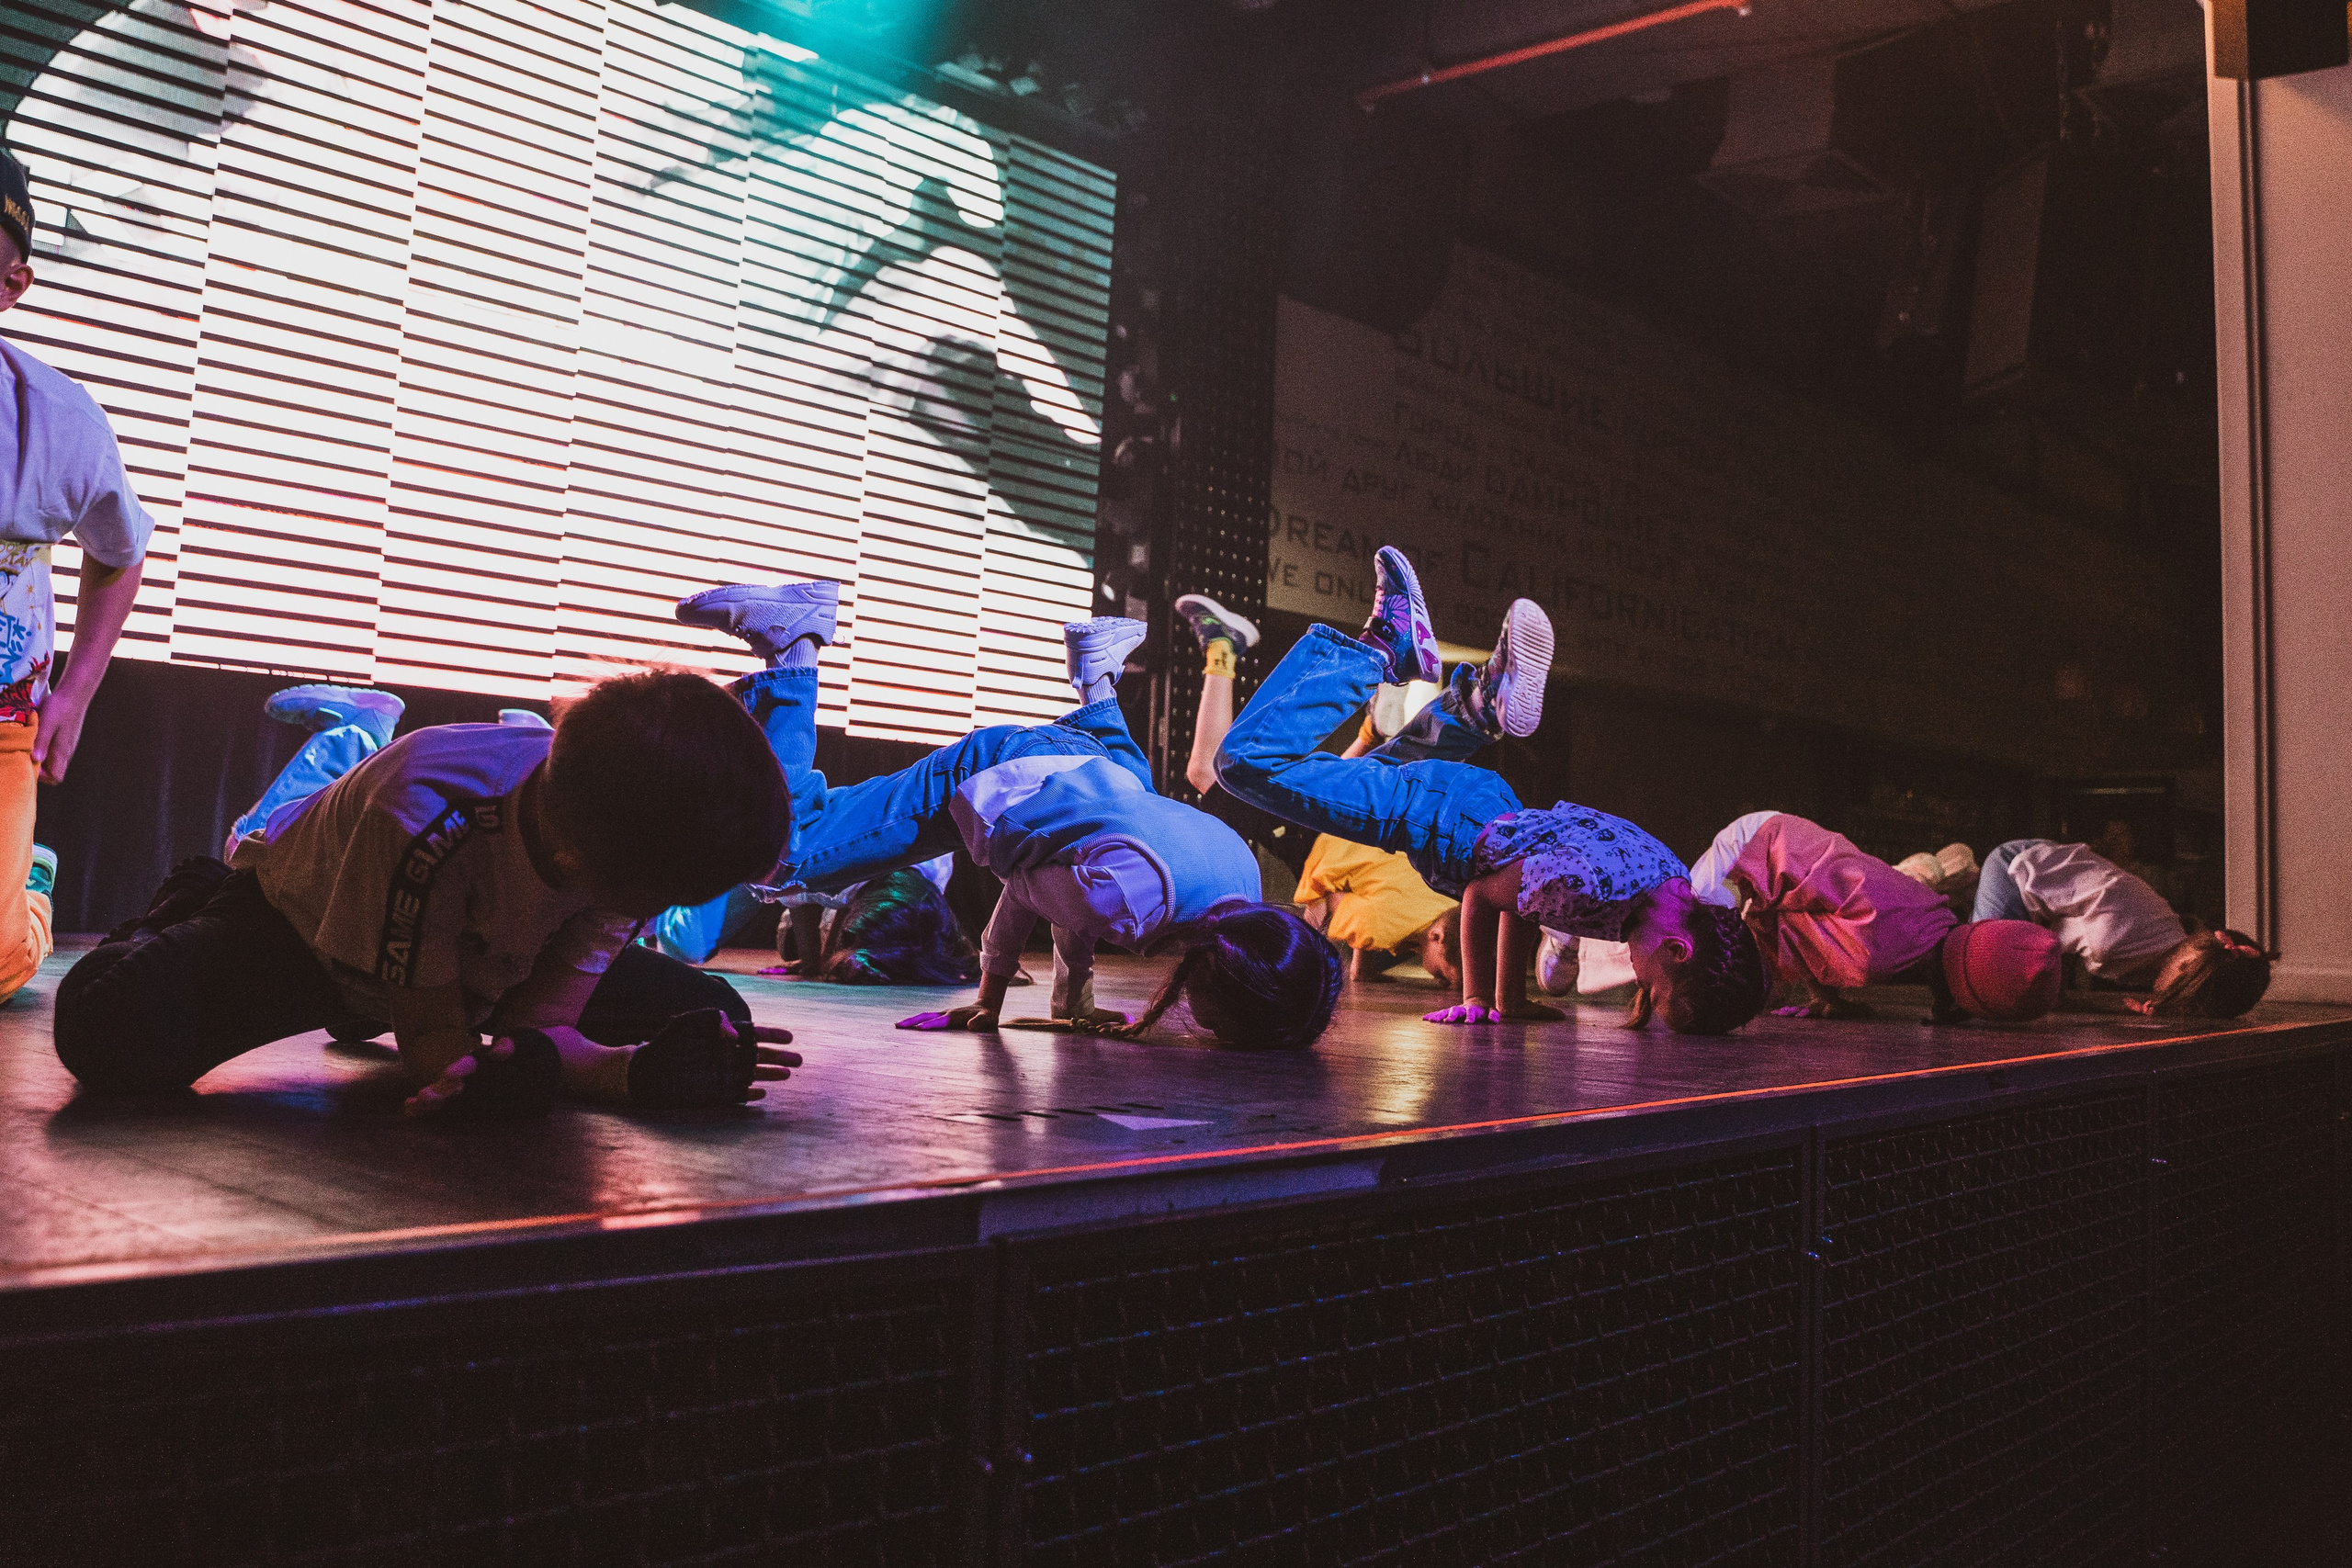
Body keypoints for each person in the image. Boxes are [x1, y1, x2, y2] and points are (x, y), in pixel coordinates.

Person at [53, 671, 801, 1114]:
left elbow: (546, 1026)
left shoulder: (618, 819)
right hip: (310, 937)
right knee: (107, 1033)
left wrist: (637, 1069)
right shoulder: (424, 818)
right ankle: (197, 895)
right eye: (653, 898)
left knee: (713, 1025)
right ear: (587, 858)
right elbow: (434, 1046)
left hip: (486, 958)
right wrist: (584, 1071)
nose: (650, 912)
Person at [676, 580, 1342, 1049]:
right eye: (1225, 1028)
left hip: (1098, 770)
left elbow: (1104, 863)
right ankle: (794, 648)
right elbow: (1027, 893)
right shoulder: (1127, 905)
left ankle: (1100, 678)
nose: (1208, 1028)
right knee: (785, 855)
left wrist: (1071, 998)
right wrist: (988, 1004)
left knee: (1128, 795)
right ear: (1227, 989)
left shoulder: (1244, 885)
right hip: (1001, 770)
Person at [1214, 546, 1768, 1035]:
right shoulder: (1597, 891)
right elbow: (1484, 896)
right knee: (1244, 764)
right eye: (1654, 988)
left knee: (1373, 768)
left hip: (1489, 806)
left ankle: (1478, 707)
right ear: (1677, 949)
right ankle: (1382, 650)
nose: (1639, 984)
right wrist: (1477, 998)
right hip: (1447, 823)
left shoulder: (1664, 875)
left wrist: (1511, 1000)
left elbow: (1527, 902)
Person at [0, 148, 154, 1001]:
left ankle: (28, 890)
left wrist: (77, 693)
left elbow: (120, 549)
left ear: (11, 282)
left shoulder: (59, 421)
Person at [1974, 838, 2272, 1018]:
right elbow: (2046, 940)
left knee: (2032, 991)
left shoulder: (2160, 947)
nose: (2178, 1001)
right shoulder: (2119, 937)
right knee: (1986, 978)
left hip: (2050, 877)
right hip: (2016, 866)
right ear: (2186, 963)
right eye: (2185, 996)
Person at [1294, 832, 1462, 988]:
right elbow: (1341, 903)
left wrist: (1362, 971)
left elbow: (1372, 919)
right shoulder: (1394, 923)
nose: (1439, 981)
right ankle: (1300, 971)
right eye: (1442, 975)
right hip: (1328, 845)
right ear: (1437, 936)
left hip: (1363, 841)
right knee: (1318, 913)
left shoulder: (1446, 910)